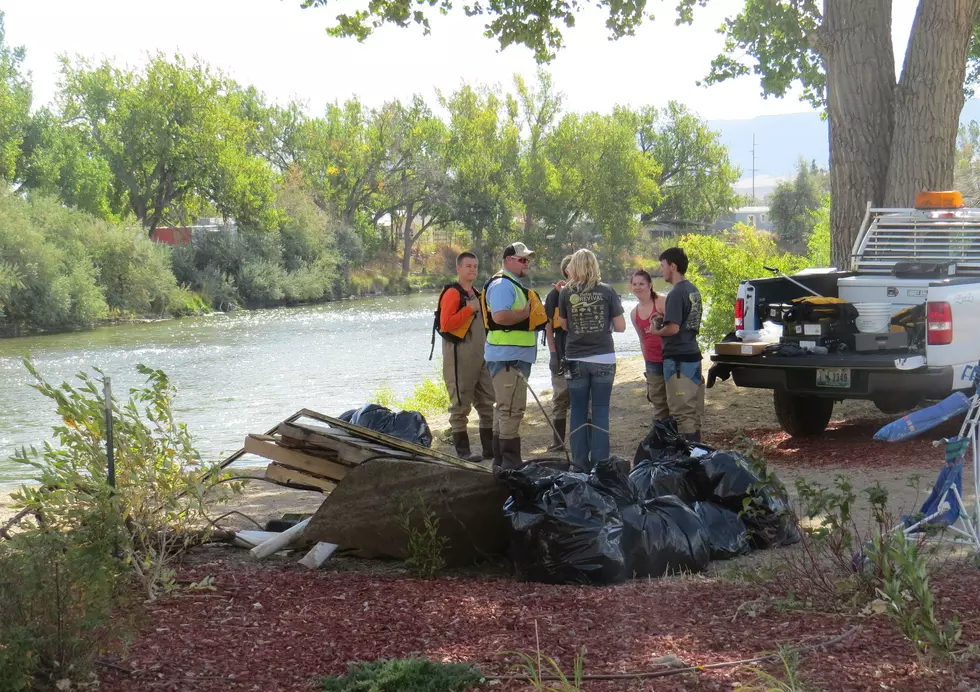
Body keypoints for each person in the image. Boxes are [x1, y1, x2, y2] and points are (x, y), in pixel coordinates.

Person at [480, 242, 548, 470]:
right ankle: (510, 461)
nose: (526, 263)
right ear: (509, 259)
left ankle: (501, 460)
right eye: (522, 259)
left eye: (527, 259)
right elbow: (499, 317)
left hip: (511, 356)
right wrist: (527, 313)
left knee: (505, 408)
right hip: (508, 358)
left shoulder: (511, 283)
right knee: (511, 408)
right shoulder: (502, 285)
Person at [559, 249, 626, 471]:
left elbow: (563, 325)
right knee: (600, 409)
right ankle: (600, 463)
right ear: (595, 265)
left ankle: (579, 463)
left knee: (577, 409)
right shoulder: (607, 291)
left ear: (574, 267)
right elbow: (621, 326)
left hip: (575, 358)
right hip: (604, 358)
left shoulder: (566, 292)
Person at [433, 251, 495, 462]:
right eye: (468, 266)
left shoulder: (477, 294)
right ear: (458, 268)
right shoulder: (453, 293)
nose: (473, 269)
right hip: (459, 358)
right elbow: (445, 324)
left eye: (475, 266)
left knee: (487, 401)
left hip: (481, 357)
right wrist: (468, 310)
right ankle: (464, 453)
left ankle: (490, 449)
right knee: (460, 405)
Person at [648, 247, 705, 442]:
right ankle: (698, 454)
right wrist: (666, 317)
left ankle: (687, 460)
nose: (661, 270)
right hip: (693, 356)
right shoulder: (693, 290)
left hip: (678, 360)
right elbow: (686, 320)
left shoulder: (675, 293)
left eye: (663, 266)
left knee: (682, 413)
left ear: (673, 266)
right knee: (694, 412)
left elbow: (673, 329)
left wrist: (657, 331)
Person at [629, 269, 668, 422]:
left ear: (650, 285)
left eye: (641, 284)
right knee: (657, 399)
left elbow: (676, 328)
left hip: (670, 356)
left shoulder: (662, 302)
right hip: (652, 360)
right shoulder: (634, 313)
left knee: (675, 397)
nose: (638, 287)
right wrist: (647, 361)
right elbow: (642, 339)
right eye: (634, 284)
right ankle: (662, 431)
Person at [543, 255, 572, 452]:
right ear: (565, 271)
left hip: (581, 354)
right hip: (561, 352)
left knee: (583, 400)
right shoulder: (554, 295)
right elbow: (548, 327)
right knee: (560, 397)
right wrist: (553, 354)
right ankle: (558, 442)